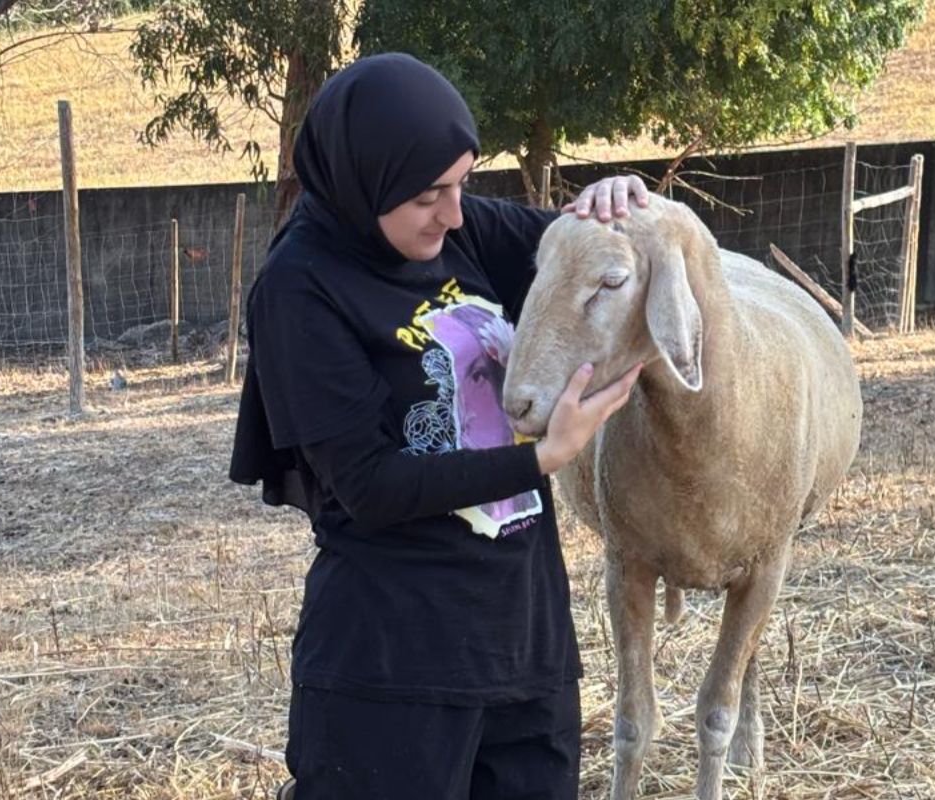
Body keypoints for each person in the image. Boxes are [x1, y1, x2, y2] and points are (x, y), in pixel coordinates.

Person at [228, 52, 649, 800]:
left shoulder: (463, 231)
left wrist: (613, 205)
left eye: (462, 185)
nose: (453, 214)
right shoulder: (299, 288)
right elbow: (370, 485)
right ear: (368, 179)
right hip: (393, 671)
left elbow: (587, 260)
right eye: (429, 195)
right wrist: (541, 459)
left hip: (525, 646)